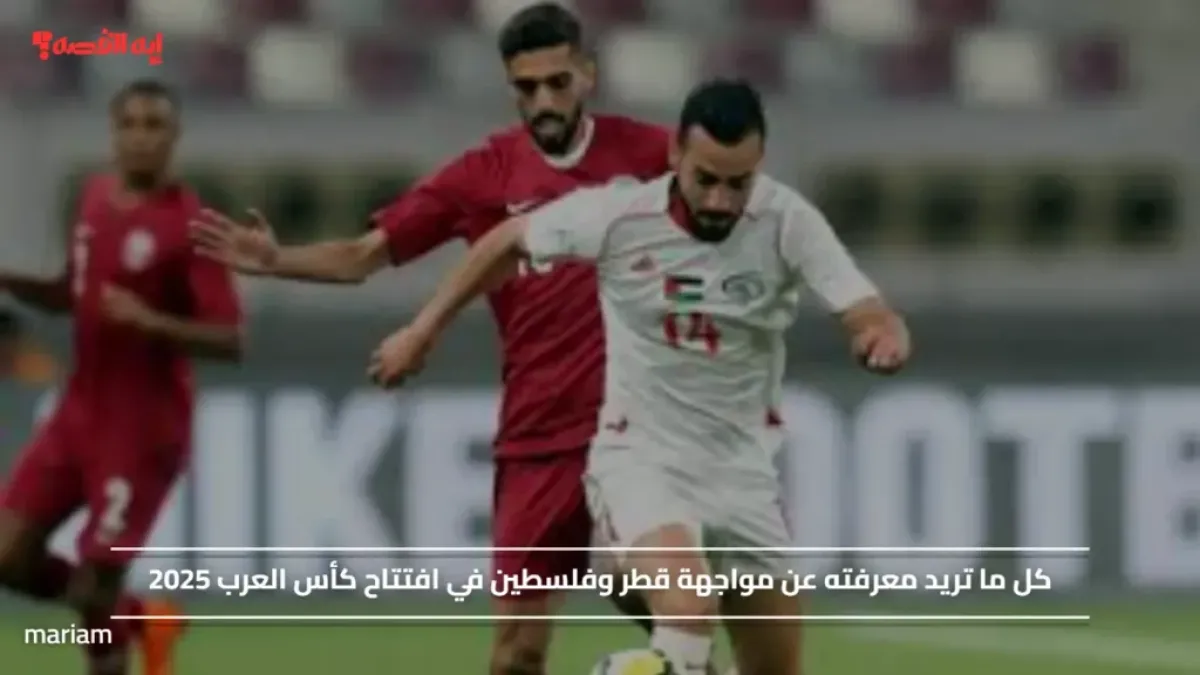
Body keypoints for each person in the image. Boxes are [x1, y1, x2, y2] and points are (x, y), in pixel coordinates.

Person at [188, 4, 677, 673]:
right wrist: (278, 261)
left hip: (635, 426)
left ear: (587, 75)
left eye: (557, 82)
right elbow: (363, 256)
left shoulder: (653, 154)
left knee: (643, 580)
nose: (544, 100)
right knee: (516, 653)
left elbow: (737, 207)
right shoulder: (484, 175)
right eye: (528, 87)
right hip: (538, 433)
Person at [365, 79, 912, 675]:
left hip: (744, 479)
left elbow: (866, 309)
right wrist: (422, 331)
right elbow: (506, 241)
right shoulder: (620, 215)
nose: (720, 200)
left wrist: (879, 335)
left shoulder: (788, 222)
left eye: (739, 183)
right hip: (643, 464)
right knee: (688, 612)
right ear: (675, 154)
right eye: (706, 179)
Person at [0, 78, 245, 675]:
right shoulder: (93, 199)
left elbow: (230, 339)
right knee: (8, 557)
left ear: (174, 136)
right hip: (78, 413)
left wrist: (149, 320)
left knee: (95, 589)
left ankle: (119, 627)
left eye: (153, 125)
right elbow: (73, 293)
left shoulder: (190, 227)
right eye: (129, 124)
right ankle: (141, 617)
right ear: (113, 134)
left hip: (141, 430)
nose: (140, 137)